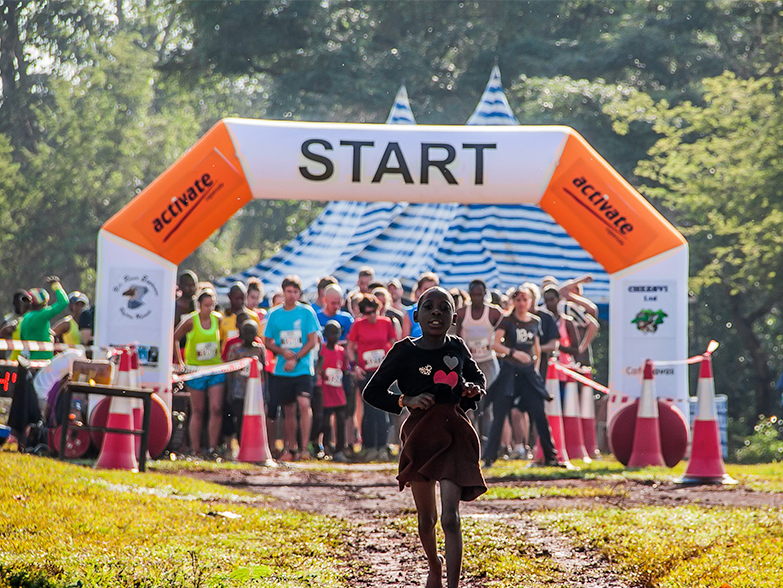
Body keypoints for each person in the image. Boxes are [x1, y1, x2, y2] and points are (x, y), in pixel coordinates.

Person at [363, 287, 486, 588]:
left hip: (455, 434)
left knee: (450, 519)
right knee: (427, 520)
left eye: (444, 308)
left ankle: (453, 584)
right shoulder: (404, 351)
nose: (436, 313)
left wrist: (472, 389)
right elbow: (372, 391)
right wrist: (406, 400)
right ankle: (434, 565)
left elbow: (477, 378)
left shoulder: (457, 347)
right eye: (429, 307)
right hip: (420, 437)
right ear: (416, 315)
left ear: (454, 317)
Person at [482, 285, 558, 468]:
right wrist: (513, 352)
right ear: (513, 302)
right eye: (518, 300)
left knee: (539, 413)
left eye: (525, 300)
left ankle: (550, 457)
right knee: (500, 413)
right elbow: (495, 344)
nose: (522, 303)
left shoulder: (535, 321)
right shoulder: (507, 320)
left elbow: (537, 348)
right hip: (509, 373)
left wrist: (536, 370)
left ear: (530, 301)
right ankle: (489, 458)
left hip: (528, 375)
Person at [263, 275, 320, 461]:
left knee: (304, 404)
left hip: (302, 368)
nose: (292, 295)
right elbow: (267, 341)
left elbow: (312, 341)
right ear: (283, 291)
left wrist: (295, 358)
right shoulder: (275, 314)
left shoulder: (307, 312)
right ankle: (290, 448)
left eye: (295, 291)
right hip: (282, 370)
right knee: (288, 410)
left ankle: (304, 448)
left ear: (299, 293)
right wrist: (282, 351)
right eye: (288, 291)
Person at [173, 288, 225, 455]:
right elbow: (174, 337)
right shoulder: (191, 321)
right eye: (206, 305)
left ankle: (212, 448)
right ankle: (196, 450)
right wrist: (180, 363)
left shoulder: (218, 319)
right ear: (199, 305)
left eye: (212, 305)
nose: (209, 309)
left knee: (216, 408)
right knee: (198, 410)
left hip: (215, 369)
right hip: (195, 370)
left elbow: (222, 339)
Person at [347, 293, 398, 460]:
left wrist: (391, 364)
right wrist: (355, 367)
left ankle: (382, 447)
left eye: (374, 311)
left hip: (382, 372)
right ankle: (368, 446)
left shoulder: (386, 323)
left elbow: (394, 343)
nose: (372, 316)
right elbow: (350, 347)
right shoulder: (358, 325)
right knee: (369, 410)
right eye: (368, 313)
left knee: (382, 409)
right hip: (366, 372)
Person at [225, 321, 266, 443]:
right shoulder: (235, 349)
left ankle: (253, 442)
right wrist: (229, 390)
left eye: (251, 332)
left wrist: (266, 392)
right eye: (246, 332)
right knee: (238, 417)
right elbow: (229, 372)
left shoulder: (259, 349)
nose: (249, 335)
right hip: (239, 390)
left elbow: (265, 370)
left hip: (255, 390)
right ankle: (240, 441)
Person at [317, 321, 350, 461]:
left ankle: (340, 448)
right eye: (331, 332)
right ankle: (326, 446)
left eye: (336, 333)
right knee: (325, 422)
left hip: (338, 392)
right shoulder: (322, 350)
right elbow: (318, 368)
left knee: (341, 419)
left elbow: (344, 370)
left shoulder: (341, 351)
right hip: (325, 392)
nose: (334, 336)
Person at [20, 277, 69, 361]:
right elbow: (63, 302)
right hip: (44, 359)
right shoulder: (41, 316)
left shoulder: (24, 318)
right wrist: (56, 285)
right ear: (43, 303)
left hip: (30, 360)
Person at [219, 282, 260, 350]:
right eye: (237, 299)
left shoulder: (253, 316)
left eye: (242, 298)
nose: (240, 302)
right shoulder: (221, 317)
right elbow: (220, 341)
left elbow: (258, 340)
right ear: (229, 297)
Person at [403, 272, 439, 338]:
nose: (429, 292)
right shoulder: (409, 312)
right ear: (418, 291)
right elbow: (405, 339)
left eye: (432, 289)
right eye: (426, 289)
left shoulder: (441, 311)